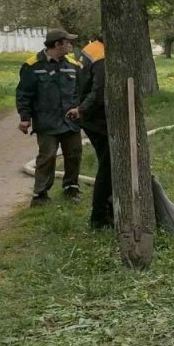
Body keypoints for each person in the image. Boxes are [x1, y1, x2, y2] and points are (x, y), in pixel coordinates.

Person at [16, 29, 83, 206]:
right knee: (47, 156)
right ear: (58, 44)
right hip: (47, 122)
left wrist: (79, 108)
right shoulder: (32, 66)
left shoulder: (73, 65)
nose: (71, 45)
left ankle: (71, 187)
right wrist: (25, 117)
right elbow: (24, 93)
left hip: (70, 122)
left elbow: (80, 91)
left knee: (74, 154)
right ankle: (40, 194)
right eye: (68, 42)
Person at [67, 37, 113, 228]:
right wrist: (84, 110)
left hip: (90, 116)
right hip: (96, 119)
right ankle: (99, 216)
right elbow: (99, 90)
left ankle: (107, 210)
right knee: (108, 165)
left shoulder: (91, 48)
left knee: (108, 164)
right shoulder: (102, 55)